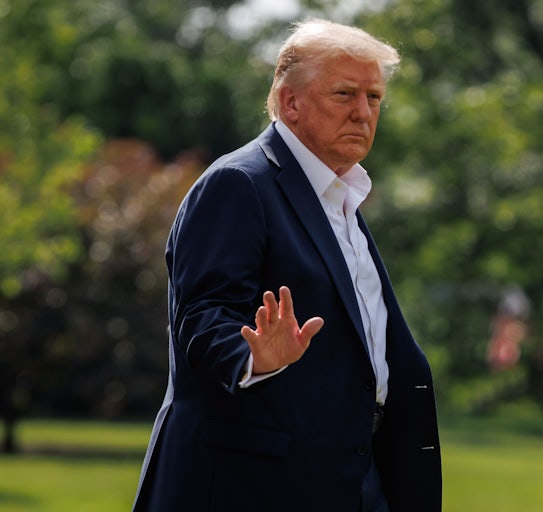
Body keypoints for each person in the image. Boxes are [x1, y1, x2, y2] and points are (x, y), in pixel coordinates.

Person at [132, 18, 441, 512]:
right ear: (290, 102)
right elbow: (202, 317)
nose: (363, 113)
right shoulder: (239, 184)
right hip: (254, 486)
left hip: (353, 477)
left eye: (374, 98)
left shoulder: (340, 198)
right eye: (344, 94)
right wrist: (254, 355)